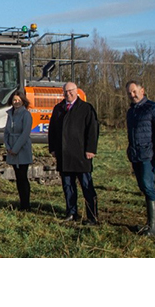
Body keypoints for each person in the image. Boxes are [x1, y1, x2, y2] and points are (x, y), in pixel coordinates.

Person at [48, 82, 100, 225]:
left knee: (86, 186)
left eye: (71, 91)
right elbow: (52, 130)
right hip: (64, 155)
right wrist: (52, 148)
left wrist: (91, 149)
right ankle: (71, 212)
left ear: (77, 91)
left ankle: (92, 216)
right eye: (65, 92)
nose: (68, 94)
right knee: (68, 186)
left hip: (81, 155)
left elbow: (93, 130)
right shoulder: (58, 109)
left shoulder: (86, 108)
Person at [125, 80, 155, 236]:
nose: (132, 95)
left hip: (148, 155)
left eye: (134, 91)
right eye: (129, 93)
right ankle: (151, 224)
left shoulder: (153, 108)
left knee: (148, 187)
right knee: (144, 187)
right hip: (136, 154)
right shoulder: (132, 111)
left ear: (142, 90)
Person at [3, 89, 33, 211]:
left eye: (18, 100)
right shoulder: (10, 114)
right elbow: (6, 132)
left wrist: (15, 149)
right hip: (12, 150)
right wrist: (8, 147)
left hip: (22, 150)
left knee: (23, 178)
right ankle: (21, 203)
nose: (16, 102)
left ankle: (26, 204)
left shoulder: (26, 115)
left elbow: (25, 134)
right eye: (14, 100)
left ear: (23, 101)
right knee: (18, 178)